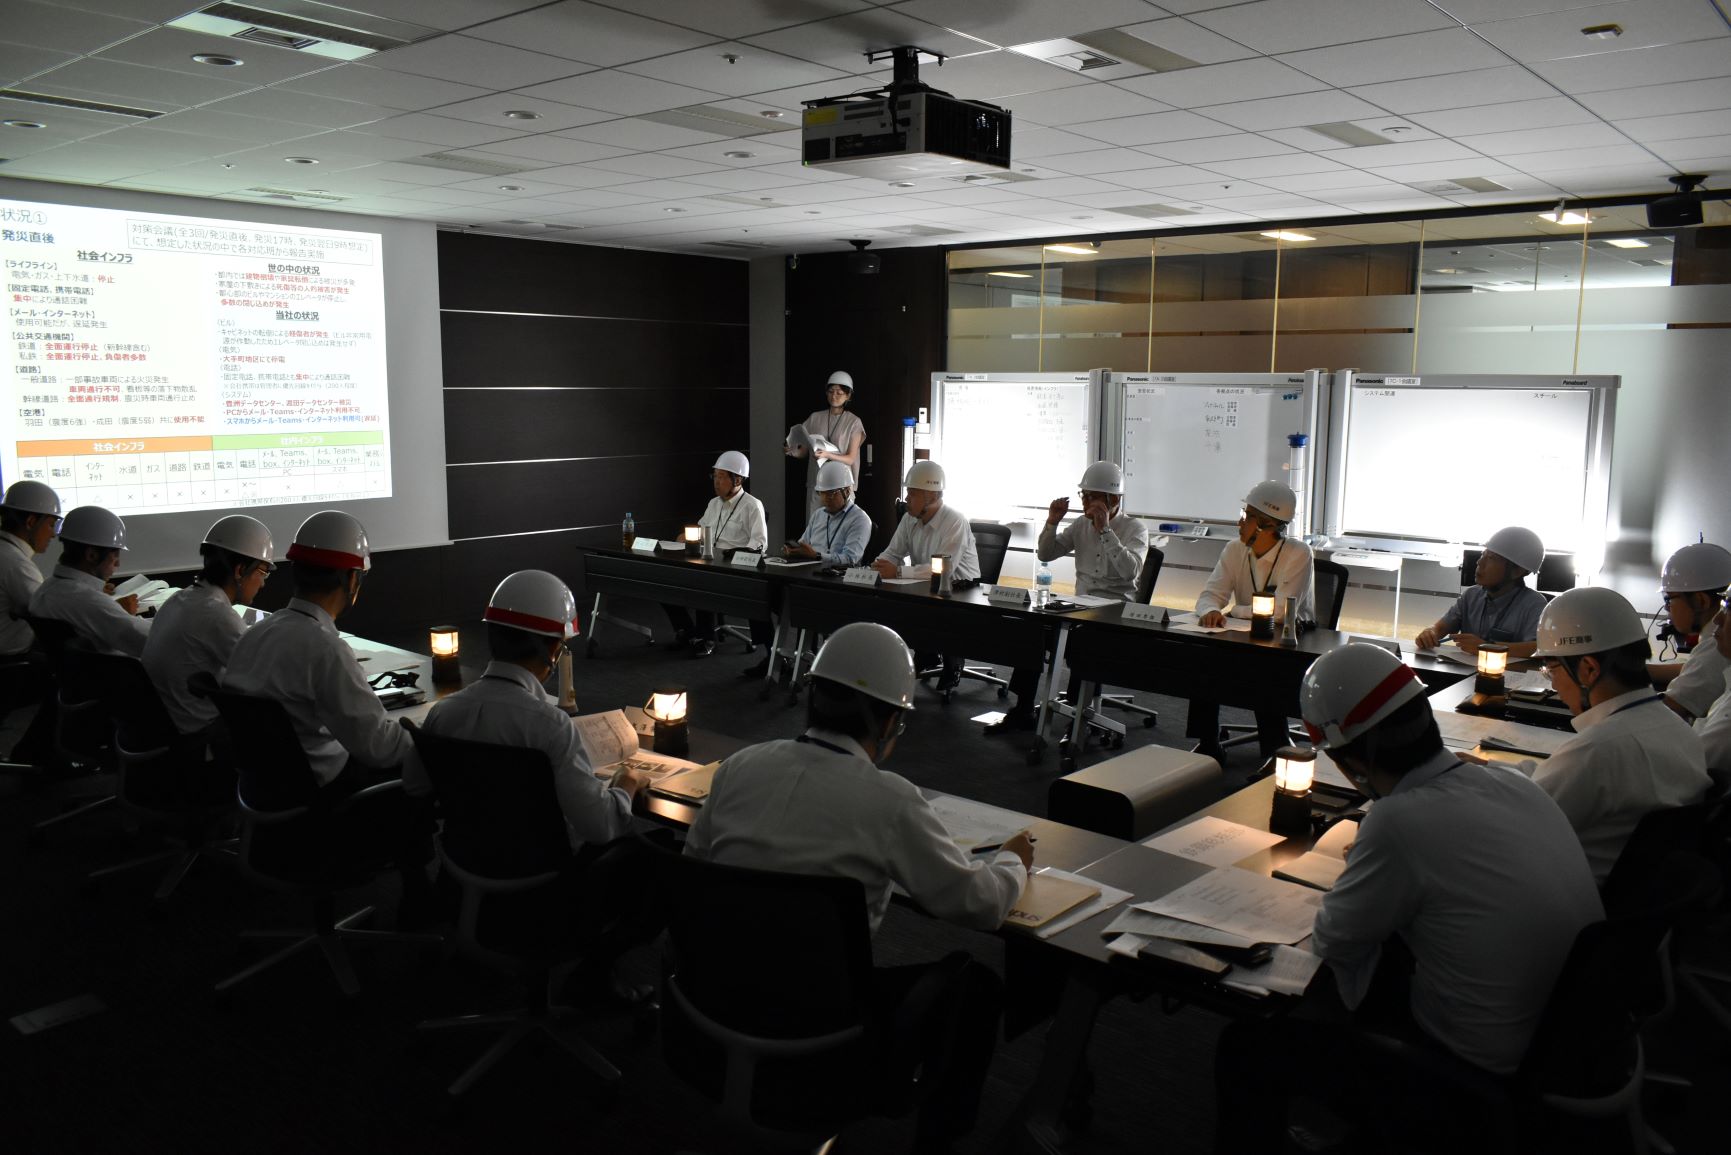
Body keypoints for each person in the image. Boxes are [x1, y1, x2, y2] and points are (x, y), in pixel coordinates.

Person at [1215, 644, 1601, 1152]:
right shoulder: (1512, 782)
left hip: (1475, 1069)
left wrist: (1370, 863)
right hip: (1569, 1040)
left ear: (1352, 761)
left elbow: (1333, 942)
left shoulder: (1397, 822)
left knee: (1246, 1045)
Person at [685, 621, 1031, 1153]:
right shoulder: (889, 799)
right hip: (820, 1030)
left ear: (814, 698)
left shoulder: (738, 767)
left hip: (711, 1003)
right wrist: (1012, 862)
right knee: (977, 988)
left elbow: (693, 871)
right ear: (891, 720)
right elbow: (981, 906)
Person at [220, 509, 432, 919]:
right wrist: (425, 730)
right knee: (413, 764)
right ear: (352, 580)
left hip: (268, 796)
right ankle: (418, 897)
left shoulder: (256, 634)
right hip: (320, 808)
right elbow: (379, 748)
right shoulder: (325, 647)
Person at [1498, 586, 1710, 883]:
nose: (1554, 685)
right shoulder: (1680, 731)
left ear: (1588, 669)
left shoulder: (1597, 750)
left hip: (1570, 897)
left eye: (1551, 669)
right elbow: (1554, 783)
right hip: (1637, 901)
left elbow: (1512, 829)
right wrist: (1493, 771)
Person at [424, 569, 644, 851]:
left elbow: (415, 785)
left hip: (460, 859)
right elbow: (600, 827)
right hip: (540, 868)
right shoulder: (551, 726)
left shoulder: (442, 712)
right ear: (553, 649)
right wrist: (626, 783)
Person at [989, 460, 1148, 736]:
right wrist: (1052, 522)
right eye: (1083, 496)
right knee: (1032, 629)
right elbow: (1046, 553)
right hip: (1081, 606)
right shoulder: (1080, 525)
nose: (1085, 503)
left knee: (1086, 638)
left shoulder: (1135, 529)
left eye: (1092, 497)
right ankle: (1023, 708)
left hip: (1116, 611)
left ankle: (1080, 715)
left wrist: (1106, 531)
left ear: (1113, 500)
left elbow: (1130, 572)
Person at [1188, 480, 1314, 759]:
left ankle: (1274, 749)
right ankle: (1208, 743)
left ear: (1267, 525)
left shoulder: (1298, 553)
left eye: (1246, 517)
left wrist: (1235, 611)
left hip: (1291, 639)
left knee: (1265, 668)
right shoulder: (1234, 549)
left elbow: (1280, 612)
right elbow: (1209, 595)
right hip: (1245, 634)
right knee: (1203, 657)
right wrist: (1210, 611)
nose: (1240, 522)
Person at [141, 514, 274, 740]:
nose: (262, 583)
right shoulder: (216, 614)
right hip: (195, 733)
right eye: (262, 572)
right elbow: (265, 678)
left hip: (162, 721)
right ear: (240, 570)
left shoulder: (179, 599)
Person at [743, 459, 873, 680]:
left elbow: (851, 559)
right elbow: (805, 542)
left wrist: (818, 556)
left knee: (800, 605)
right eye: (822, 494)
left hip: (835, 583)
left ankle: (818, 665)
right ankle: (773, 655)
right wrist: (795, 550)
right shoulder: (819, 515)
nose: (826, 499)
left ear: (847, 491)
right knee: (759, 595)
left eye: (831, 494)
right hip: (806, 576)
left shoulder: (860, 520)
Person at [873, 460, 980, 694]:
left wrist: (897, 572)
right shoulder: (909, 518)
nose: (907, 498)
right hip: (925, 584)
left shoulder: (955, 521)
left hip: (961, 589)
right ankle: (926, 652)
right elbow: (893, 552)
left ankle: (953, 661)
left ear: (931, 496)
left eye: (912, 493)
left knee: (939, 610)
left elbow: (942, 568)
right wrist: (876, 567)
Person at [666, 450, 768, 658]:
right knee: (665, 581)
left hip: (734, 568)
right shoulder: (713, 504)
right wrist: (687, 537)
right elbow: (701, 531)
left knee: (705, 581)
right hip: (709, 561)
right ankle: (687, 631)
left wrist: (733, 556)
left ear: (737, 479)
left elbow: (759, 544)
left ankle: (707, 639)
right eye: (715, 476)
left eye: (722, 477)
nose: (716, 482)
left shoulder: (752, 505)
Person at [28, 504, 151, 659]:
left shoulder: (46, 589)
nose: (118, 564)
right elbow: (150, 642)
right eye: (115, 556)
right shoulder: (87, 601)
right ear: (92, 555)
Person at [1413, 525, 1547, 659]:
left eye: (1491, 558)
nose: (1479, 562)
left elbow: (1539, 648)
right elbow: (1442, 627)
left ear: (1517, 571)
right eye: (1483, 555)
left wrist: (1486, 647)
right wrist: (1431, 632)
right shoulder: (1471, 595)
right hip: (1465, 671)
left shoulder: (1534, 604)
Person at [1651, 541, 1731, 722]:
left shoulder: (1717, 646)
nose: (1667, 609)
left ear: (1701, 601)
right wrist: (1636, 671)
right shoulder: (1714, 644)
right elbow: (1693, 669)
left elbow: (1669, 709)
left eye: (1669, 599)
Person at [786, 370, 866, 521]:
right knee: (815, 525)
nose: (834, 396)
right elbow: (804, 451)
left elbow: (850, 458)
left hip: (841, 484)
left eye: (839, 392)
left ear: (848, 395)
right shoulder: (815, 417)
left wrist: (828, 455)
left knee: (840, 527)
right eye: (831, 391)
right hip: (817, 482)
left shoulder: (854, 422)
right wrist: (792, 451)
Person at [0, 479, 60, 658]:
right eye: (51, 524)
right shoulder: (16, 564)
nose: (53, 534)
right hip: (13, 664)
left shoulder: (6, 553)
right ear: (31, 522)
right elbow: (55, 616)